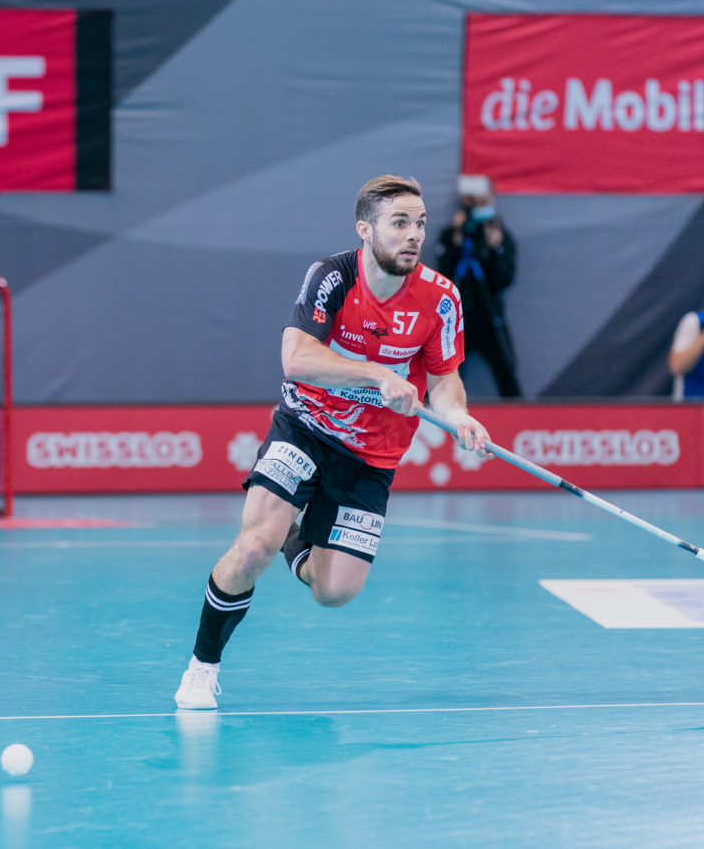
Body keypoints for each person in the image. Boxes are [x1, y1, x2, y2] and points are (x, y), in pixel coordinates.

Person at [173, 175, 491, 710]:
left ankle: (293, 537)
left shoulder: (441, 298)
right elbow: (297, 360)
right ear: (365, 230)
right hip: (305, 426)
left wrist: (458, 415)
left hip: (372, 456)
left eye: (419, 223)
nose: (413, 234)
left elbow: (443, 380)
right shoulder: (332, 276)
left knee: (334, 591)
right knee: (252, 548)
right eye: (399, 223)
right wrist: (377, 375)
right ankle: (202, 669)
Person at [434, 174, 521, 398]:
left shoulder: (499, 235)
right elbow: (441, 278)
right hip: (456, 320)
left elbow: (503, 280)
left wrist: (495, 249)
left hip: (490, 316)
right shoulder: (451, 235)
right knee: (446, 377)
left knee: (508, 376)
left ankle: (517, 422)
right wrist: (455, 242)